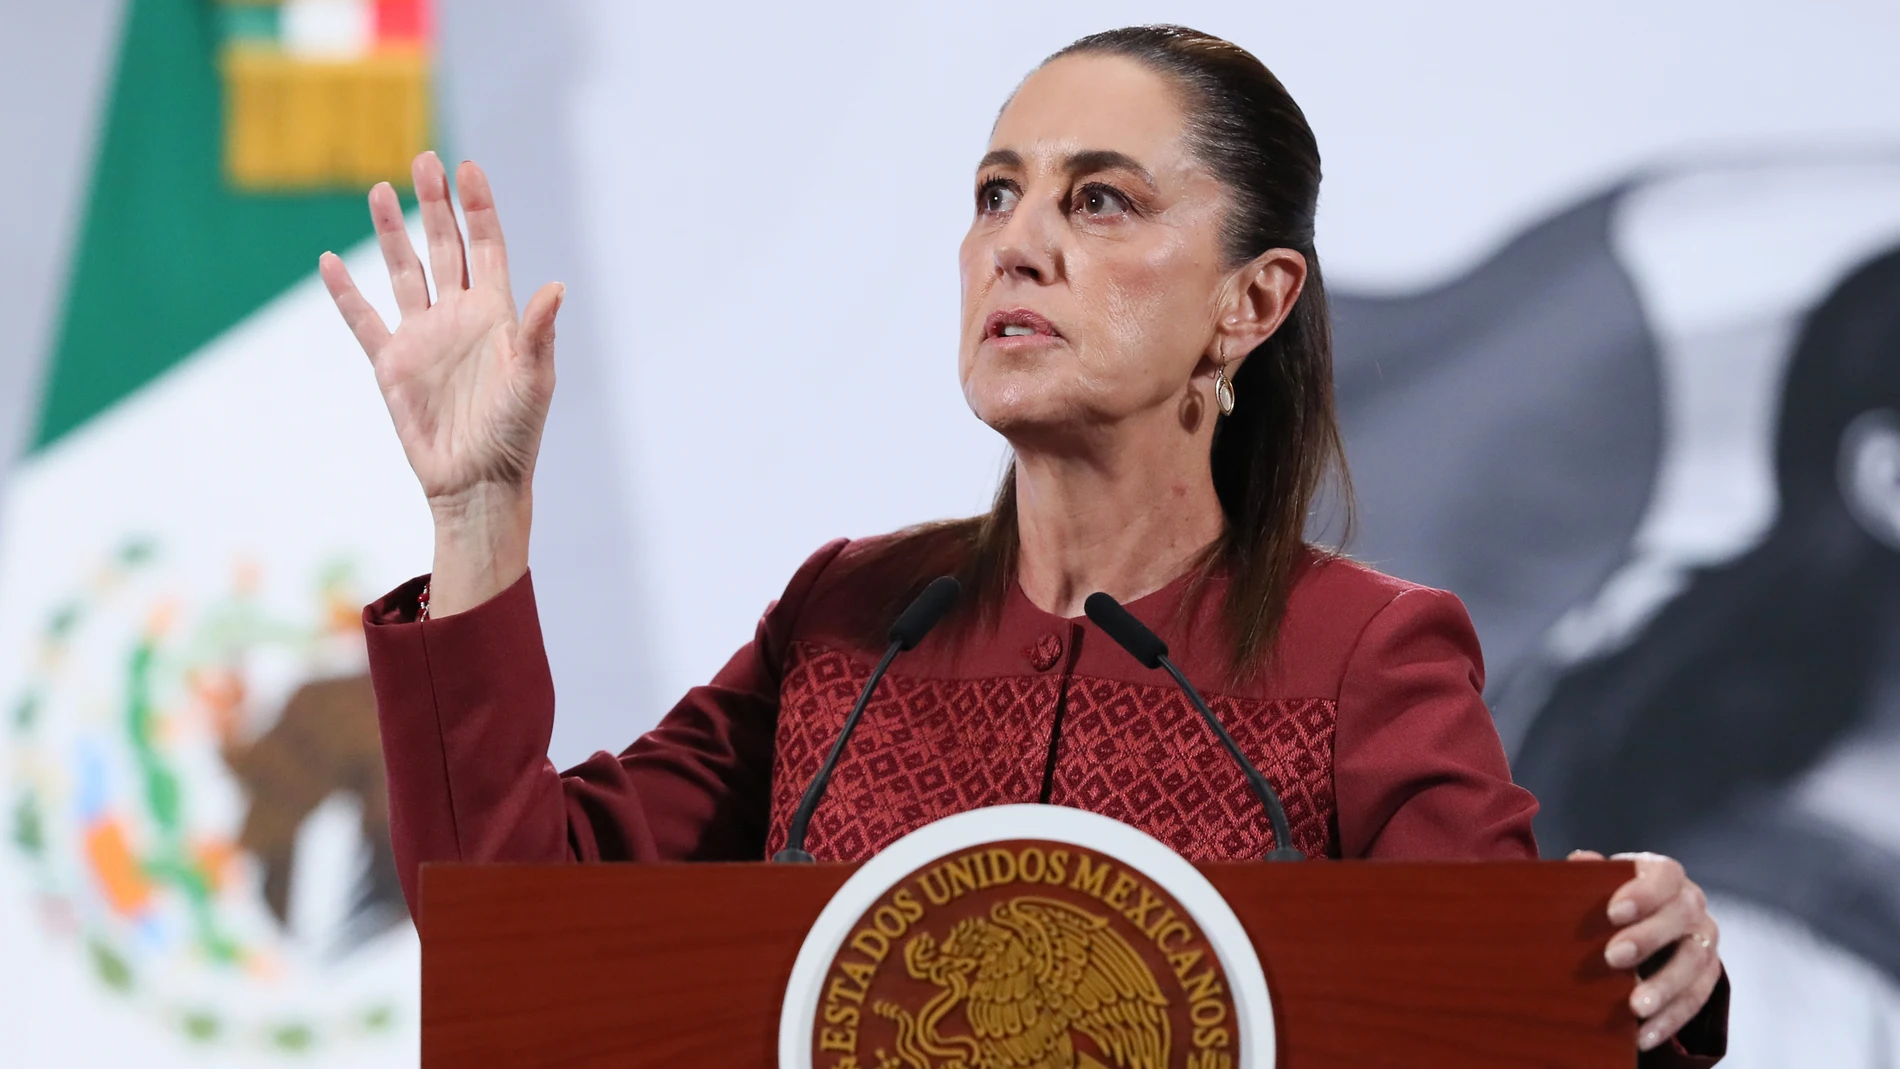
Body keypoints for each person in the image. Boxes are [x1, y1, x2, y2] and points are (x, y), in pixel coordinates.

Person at [319, 25, 1726, 1062]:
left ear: (1251, 302)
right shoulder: (849, 622)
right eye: (997, 194)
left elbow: (1510, 1019)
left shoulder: (1361, 653)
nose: (1018, 244)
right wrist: (477, 508)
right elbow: (511, 927)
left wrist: (1652, 966)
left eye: (1099, 200)